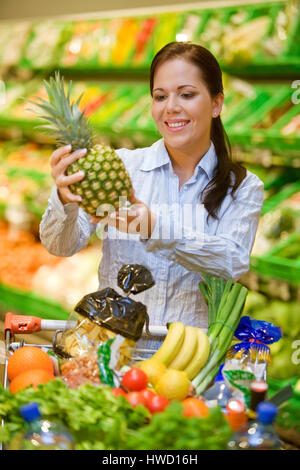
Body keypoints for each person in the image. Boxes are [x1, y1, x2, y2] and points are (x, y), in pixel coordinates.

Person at [39, 42, 264, 349]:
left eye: (186, 94)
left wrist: (153, 227)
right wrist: (64, 199)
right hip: (110, 358)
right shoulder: (123, 167)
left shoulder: (243, 187)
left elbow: (232, 261)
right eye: (160, 96)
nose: (171, 106)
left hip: (187, 365)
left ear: (216, 103)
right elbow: (61, 246)